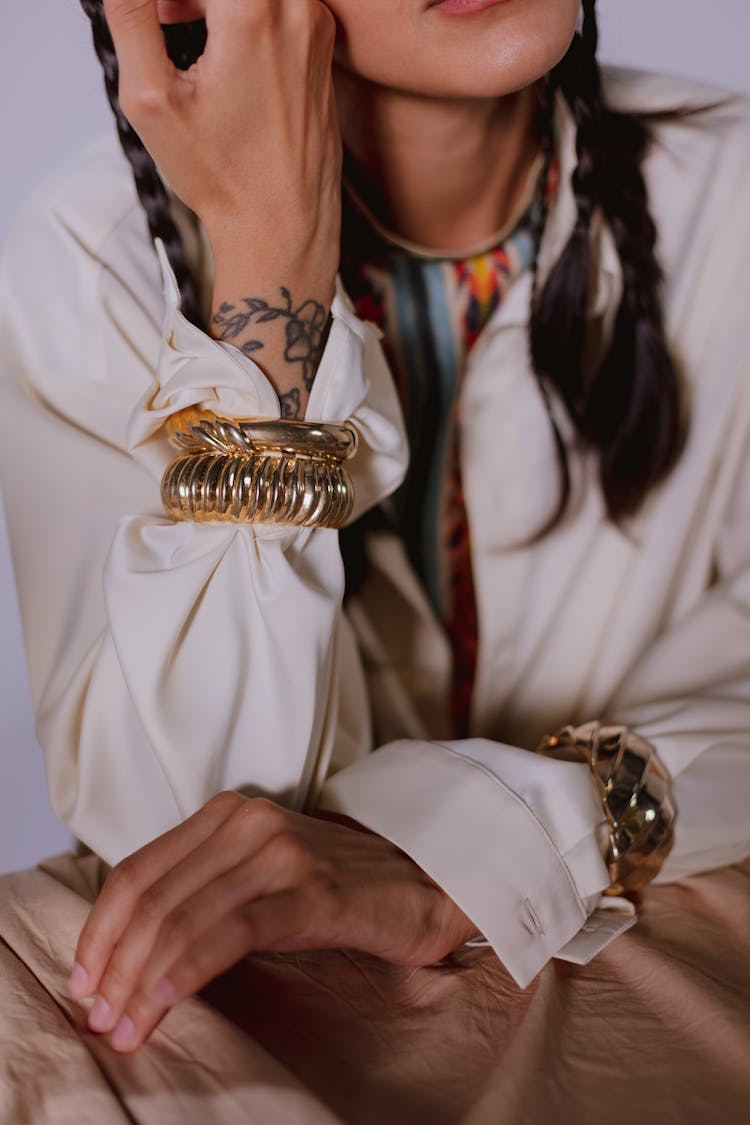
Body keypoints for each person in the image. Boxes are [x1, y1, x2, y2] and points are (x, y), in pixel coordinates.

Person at [0, 0, 748, 1064]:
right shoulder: (91, 264)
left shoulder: (733, 193)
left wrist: (485, 841)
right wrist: (269, 270)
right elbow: (200, 860)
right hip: (321, 1029)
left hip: (651, 949)